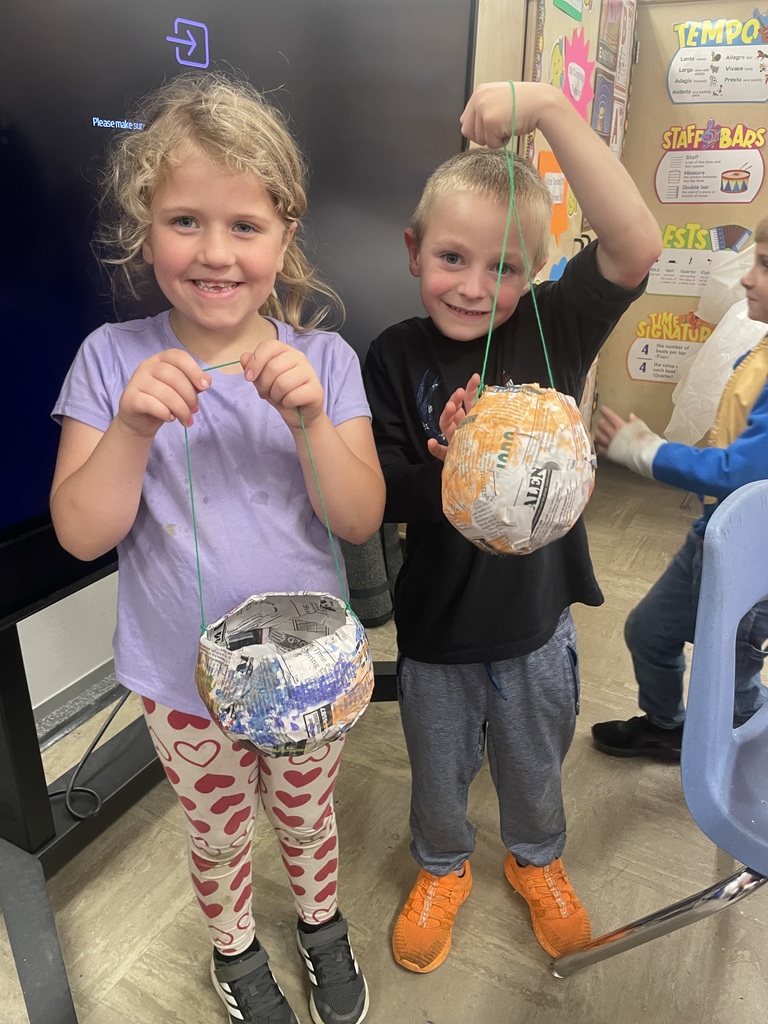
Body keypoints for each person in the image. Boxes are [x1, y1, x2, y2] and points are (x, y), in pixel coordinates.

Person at [50, 73, 385, 1024]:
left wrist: (314, 420)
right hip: (179, 677)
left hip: (314, 673)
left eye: (245, 225)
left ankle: (321, 926)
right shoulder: (111, 359)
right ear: (142, 231)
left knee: (307, 811)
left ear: (285, 238)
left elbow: (358, 519)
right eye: (184, 221)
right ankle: (235, 953)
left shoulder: (324, 362)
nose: (215, 252)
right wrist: (127, 430)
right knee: (217, 830)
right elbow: (81, 532)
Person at [362, 79, 662, 971]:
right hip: (439, 624)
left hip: (536, 619)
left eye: (502, 267)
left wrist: (546, 111)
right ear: (414, 251)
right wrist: (452, 466)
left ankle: (539, 861)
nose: (474, 284)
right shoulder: (393, 355)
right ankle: (443, 864)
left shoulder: (554, 323)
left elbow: (636, 243)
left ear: (532, 273)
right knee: (438, 765)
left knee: (537, 758)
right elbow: (381, 491)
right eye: (452, 257)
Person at [591, 215, 768, 762]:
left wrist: (645, 452)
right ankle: (666, 725)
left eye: (763, 266)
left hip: (754, 563)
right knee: (650, 632)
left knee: (732, 676)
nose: (747, 278)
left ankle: (746, 761)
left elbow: (740, 470)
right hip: (717, 534)